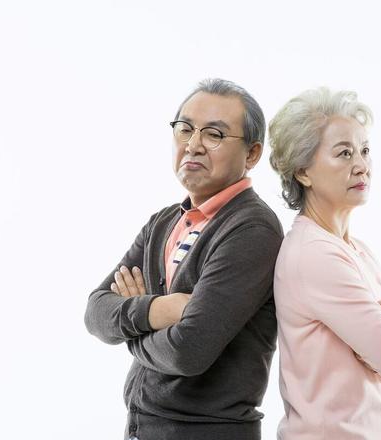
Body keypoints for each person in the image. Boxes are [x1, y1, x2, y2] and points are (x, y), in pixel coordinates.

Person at [84, 78, 284, 440]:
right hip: (142, 428)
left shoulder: (252, 229)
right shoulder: (163, 223)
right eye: (185, 129)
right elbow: (96, 312)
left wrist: (129, 330)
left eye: (214, 134)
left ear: (252, 154)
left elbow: (188, 351)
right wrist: (160, 310)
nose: (193, 145)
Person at [268, 87, 381, 439]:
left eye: (365, 151)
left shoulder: (355, 250)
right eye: (344, 153)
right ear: (303, 171)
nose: (361, 166)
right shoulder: (314, 255)